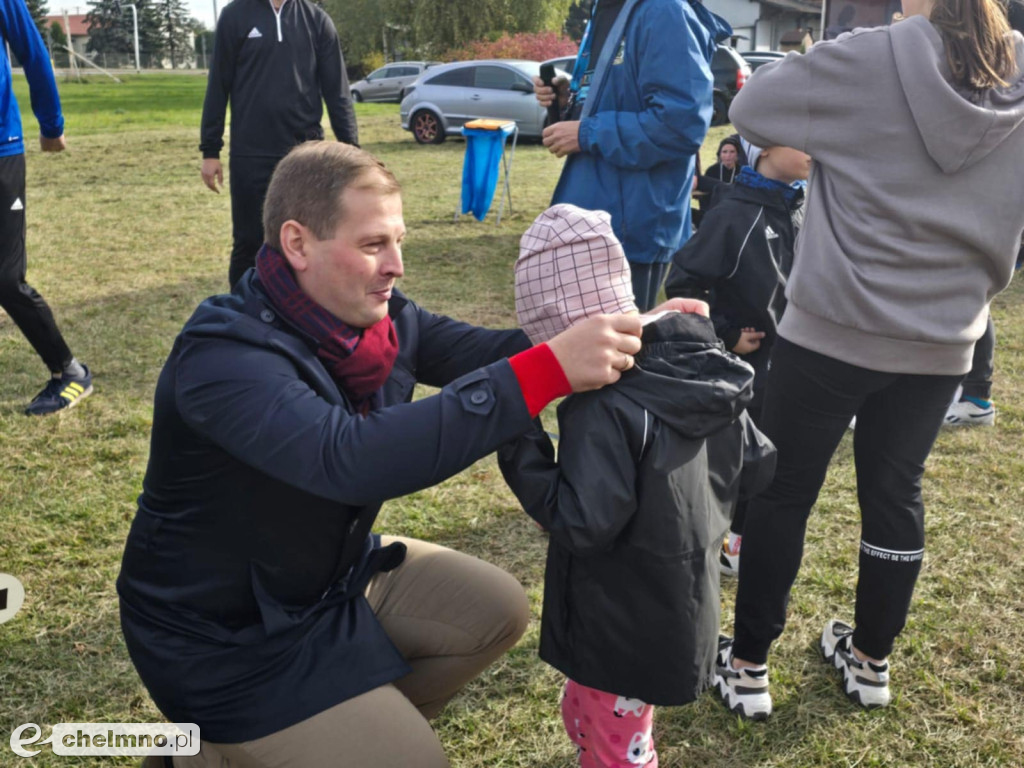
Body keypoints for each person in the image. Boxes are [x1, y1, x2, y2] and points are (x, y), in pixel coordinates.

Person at [117, 141, 701, 768]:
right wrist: (550, 370)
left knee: (494, 611)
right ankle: (213, 750)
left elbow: (497, 354)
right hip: (225, 641)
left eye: (398, 241)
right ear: (297, 243)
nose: (397, 265)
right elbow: (351, 459)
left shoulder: (382, 321)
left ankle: (327, 728)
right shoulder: (223, 358)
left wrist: (639, 328)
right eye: (373, 245)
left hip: (327, 584)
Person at [712, 0, 1024, 721]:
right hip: (947, 333)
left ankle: (750, 665)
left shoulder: (867, 55)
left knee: (783, 491)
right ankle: (871, 660)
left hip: (833, 327)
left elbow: (753, 104)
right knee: (895, 494)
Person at [498, 203, 774, 768]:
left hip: (620, 618)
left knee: (618, 746)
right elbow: (758, 464)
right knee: (597, 716)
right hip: (678, 601)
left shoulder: (603, 405)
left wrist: (518, 440)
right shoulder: (702, 365)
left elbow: (582, 521)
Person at [665, 139, 809, 577]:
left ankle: (748, 536)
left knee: (784, 457)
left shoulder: (804, 207)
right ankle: (733, 544)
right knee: (748, 457)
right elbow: (685, 282)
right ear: (763, 146)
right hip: (751, 368)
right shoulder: (731, 214)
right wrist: (726, 335)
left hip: (798, 360)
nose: (813, 147)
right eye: (800, 138)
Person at [533, 0, 731, 312]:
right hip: (589, 222)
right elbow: (616, 99)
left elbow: (680, 125)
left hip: (630, 229)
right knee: (581, 353)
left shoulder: (663, 11)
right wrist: (567, 101)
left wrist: (587, 133)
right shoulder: (607, 9)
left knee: (615, 356)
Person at [199, 0, 359, 288]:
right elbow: (218, 85)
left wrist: (352, 149)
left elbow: (337, 92)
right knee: (248, 241)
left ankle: (301, 319)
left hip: (305, 155)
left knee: (305, 240)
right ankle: (241, 320)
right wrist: (210, 150)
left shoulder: (317, 20)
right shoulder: (235, 15)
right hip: (251, 153)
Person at [0, 0, 92, 415]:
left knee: (5, 277)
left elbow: (33, 52)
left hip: (1, 151)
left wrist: (51, 124)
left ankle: (70, 372)